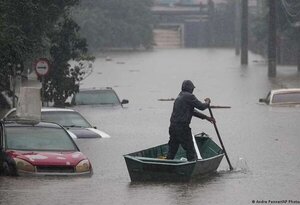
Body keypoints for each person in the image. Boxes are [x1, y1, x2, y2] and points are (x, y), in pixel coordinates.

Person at [166, 80, 215, 161]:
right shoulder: (189, 96)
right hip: (182, 128)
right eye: (192, 88)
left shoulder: (179, 96)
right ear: (190, 88)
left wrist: (206, 117)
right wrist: (207, 102)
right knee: (190, 150)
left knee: (172, 150)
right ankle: (192, 166)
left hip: (173, 127)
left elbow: (191, 111)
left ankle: (167, 167)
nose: (193, 90)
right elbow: (202, 107)